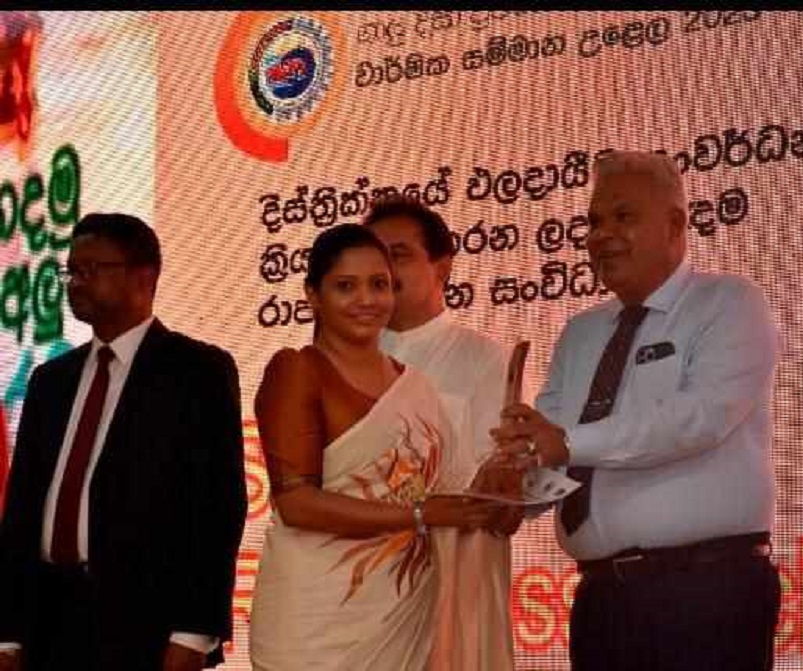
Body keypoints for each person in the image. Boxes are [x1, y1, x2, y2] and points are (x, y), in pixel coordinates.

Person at [490, 150, 782, 670]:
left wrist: (566, 442)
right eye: (594, 221)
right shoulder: (579, 333)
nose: (601, 235)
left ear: (675, 224)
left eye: (623, 217)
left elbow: (697, 418)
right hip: (603, 600)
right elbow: (553, 449)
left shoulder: (729, 303)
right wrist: (510, 493)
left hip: (707, 594)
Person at [249, 223, 505, 670]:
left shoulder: (417, 386)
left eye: (379, 285)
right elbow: (297, 504)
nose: (367, 300)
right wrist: (421, 516)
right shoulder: (296, 371)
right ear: (312, 295)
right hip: (316, 623)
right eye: (346, 286)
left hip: (402, 613)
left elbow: (454, 489)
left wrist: (515, 472)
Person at [0, 213, 247, 671]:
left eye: (91, 269)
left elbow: (217, 508)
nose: (76, 282)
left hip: (145, 625)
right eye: (71, 270)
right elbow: (22, 509)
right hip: (48, 621)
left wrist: (194, 632)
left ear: (144, 276)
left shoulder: (196, 371)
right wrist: (8, 635)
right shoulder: (50, 380)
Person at [363, 195, 519, 671]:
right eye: (374, 258)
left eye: (400, 255)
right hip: (358, 590)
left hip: (450, 582)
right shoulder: (339, 362)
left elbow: (493, 492)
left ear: (443, 267)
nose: (384, 271)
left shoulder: (482, 358)